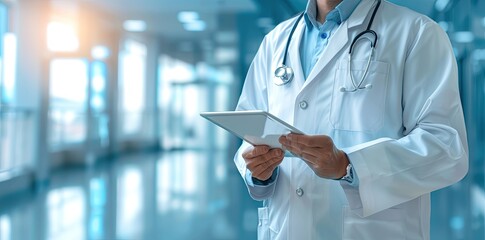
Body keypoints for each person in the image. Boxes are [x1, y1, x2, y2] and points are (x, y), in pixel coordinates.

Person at [233, 0, 469, 239]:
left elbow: (447, 147)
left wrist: (349, 165)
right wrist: (257, 169)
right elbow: (250, 132)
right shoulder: (276, 42)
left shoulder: (417, 33)